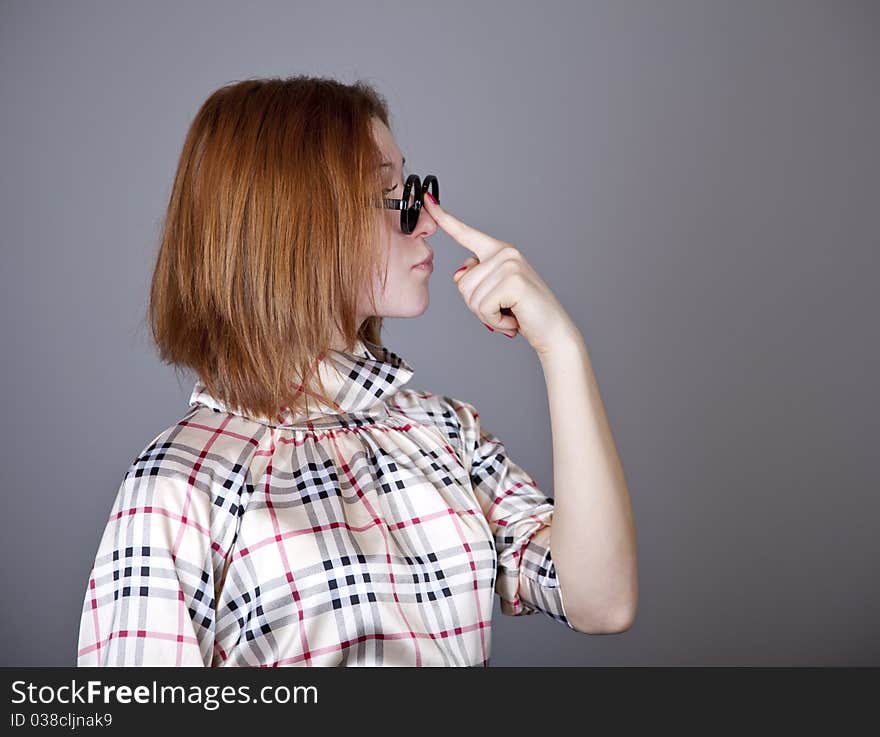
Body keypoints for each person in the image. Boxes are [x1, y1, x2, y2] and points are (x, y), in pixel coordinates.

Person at [76, 75, 638, 667]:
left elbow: (601, 601)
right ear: (295, 221)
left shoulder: (444, 433)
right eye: (392, 196)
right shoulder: (179, 486)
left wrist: (561, 349)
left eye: (416, 189)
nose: (427, 223)